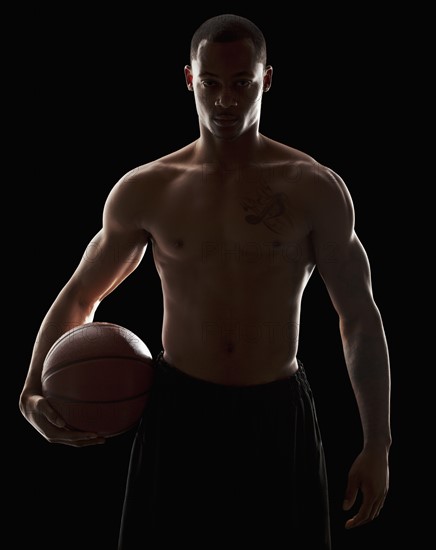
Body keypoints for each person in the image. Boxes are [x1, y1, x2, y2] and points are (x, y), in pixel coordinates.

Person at [19, 13, 391, 549]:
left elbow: (359, 318)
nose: (225, 100)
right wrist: (32, 388)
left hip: (276, 413)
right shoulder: (147, 189)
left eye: (241, 83)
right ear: (189, 79)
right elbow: (82, 293)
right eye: (211, 83)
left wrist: (377, 442)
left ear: (266, 79)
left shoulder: (314, 189)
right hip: (179, 415)